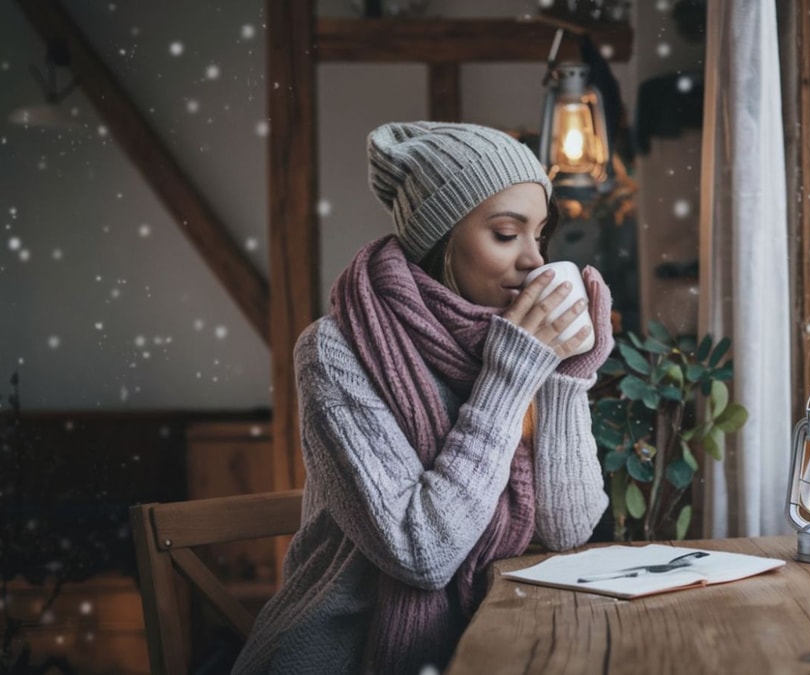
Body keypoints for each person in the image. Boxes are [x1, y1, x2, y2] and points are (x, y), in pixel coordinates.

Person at [232, 122, 613, 674]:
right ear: (440, 241)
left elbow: (567, 529)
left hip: (486, 643)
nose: (534, 260)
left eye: (539, 235)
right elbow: (422, 553)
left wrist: (564, 380)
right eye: (507, 234)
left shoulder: (510, 342)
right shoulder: (334, 352)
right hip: (342, 654)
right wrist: (510, 377)